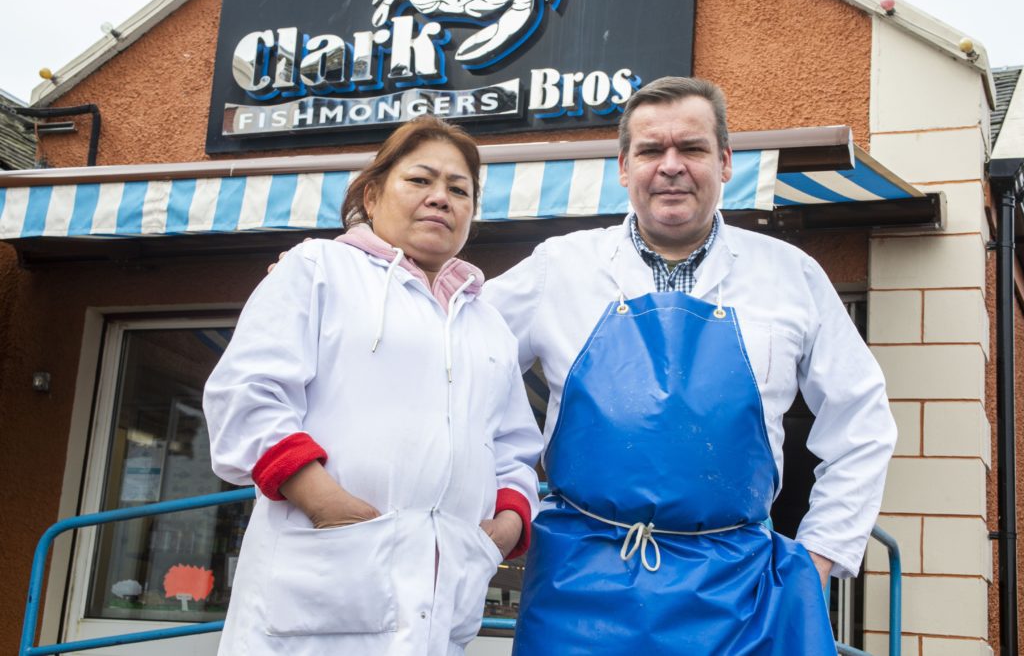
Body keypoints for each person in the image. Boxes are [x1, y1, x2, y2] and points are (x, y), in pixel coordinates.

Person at [483, 77, 897, 654]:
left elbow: (863, 422)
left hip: (740, 595)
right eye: (651, 150)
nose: (671, 166)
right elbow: (460, 365)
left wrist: (821, 554)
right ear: (624, 166)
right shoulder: (558, 267)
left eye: (693, 149)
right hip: (577, 589)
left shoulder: (790, 274)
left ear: (725, 162)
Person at [204, 115, 543, 656]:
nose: (441, 198)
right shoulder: (316, 268)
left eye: (459, 190)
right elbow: (248, 395)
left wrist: (504, 525)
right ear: (372, 192)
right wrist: (322, 499)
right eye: (420, 180)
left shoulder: (487, 322)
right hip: (317, 585)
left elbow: (513, 446)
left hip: (441, 599)